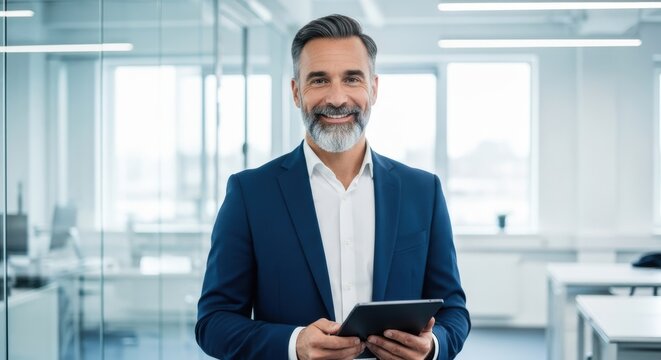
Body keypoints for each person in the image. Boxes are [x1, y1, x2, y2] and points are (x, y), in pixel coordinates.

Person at [196, 14, 470, 360]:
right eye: (319, 80)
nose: (337, 98)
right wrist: (295, 344)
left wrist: (433, 345)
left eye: (352, 78)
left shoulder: (423, 191)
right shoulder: (250, 194)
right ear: (296, 92)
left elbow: (454, 312)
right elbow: (213, 322)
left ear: (373, 88)